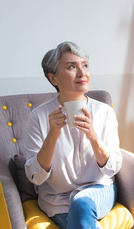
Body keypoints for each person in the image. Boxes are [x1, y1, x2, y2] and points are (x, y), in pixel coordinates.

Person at [22, 41, 123, 229]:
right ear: (54, 78)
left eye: (85, 65)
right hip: (57, 199)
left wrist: (94, 137)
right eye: (71, 67)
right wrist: (52, 135)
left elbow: (112, 168)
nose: (82, 73)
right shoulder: (40, 116)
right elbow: (35, 176)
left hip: (99, 190)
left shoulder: (104, 112)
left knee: (81, 203)